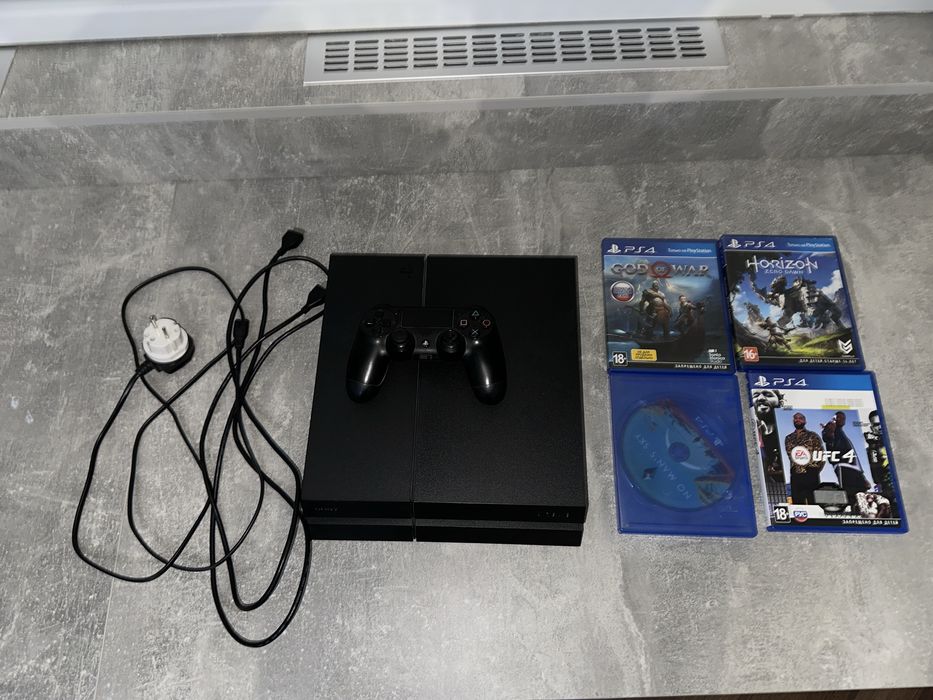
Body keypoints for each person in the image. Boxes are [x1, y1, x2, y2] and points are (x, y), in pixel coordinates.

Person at [822, 411, 870, 510]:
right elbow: (827, 438)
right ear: (835, 418)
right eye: (839, 417)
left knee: (861, 492)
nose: (842, 420)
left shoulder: (841, 433)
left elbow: (853, 456)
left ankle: (859, 510)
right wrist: (828, 431)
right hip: (843, 468)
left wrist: (862, 475)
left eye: (843, 418)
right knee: (851, 494)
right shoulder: (831, 427)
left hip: (855, 469)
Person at [783, 412, 824, 505]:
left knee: (814, 503)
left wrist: (814, 470)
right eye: (795, 418)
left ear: (805, 421)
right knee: (797, 504)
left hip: (811, 473)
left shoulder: (812, 436)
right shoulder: (788, 438)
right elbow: (790, 455)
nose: (797, 420)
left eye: (800, 418)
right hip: (796, 474)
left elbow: (820, 453)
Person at [864, 409, 898, 515]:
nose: (880, 427)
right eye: (876, 425)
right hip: (889, 494)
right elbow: (876, 477)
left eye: (882, 423)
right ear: (872, 428)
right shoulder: (871, 449)